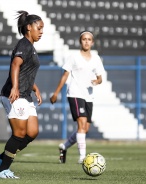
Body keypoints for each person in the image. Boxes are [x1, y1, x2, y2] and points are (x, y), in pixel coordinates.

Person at [0, 10, 43, 179]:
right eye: (39, 28)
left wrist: (35, 88)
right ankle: (2, 170)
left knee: (32, 132)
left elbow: (25, 72)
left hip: (26, 95)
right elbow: (15, 65)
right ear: (29, 27)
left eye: (42, 29)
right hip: (14, 95)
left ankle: (2, 158)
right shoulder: (24, 45)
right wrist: (14, 87)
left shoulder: (30, 47)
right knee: (19, 134)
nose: (41, 31)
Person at [50, 31, 105, 164]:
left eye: (89, 39)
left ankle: (64, 146)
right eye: (84, 39)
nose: (86, 41)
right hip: (75, 93)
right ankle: (82, 157)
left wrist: (96, 82)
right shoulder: (74, 57)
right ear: (80, 41)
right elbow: (65, 75)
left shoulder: (96, 58)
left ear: (92, 42)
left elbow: (100, 78)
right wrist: (56, 92)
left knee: (85, 128)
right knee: (81, 123)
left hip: (88, 96)